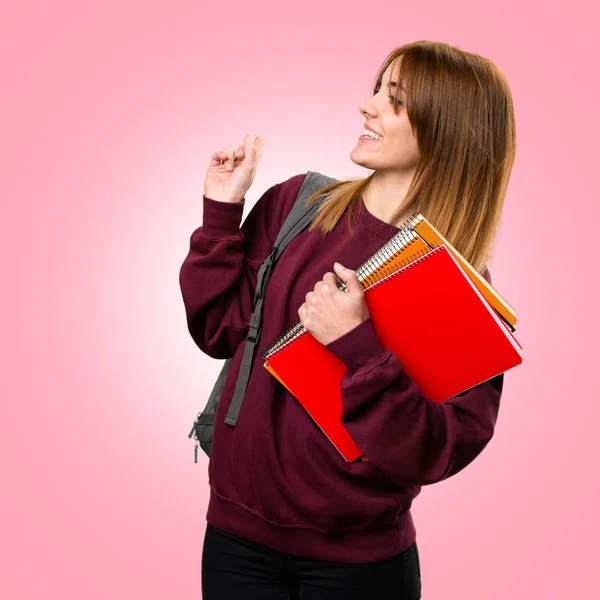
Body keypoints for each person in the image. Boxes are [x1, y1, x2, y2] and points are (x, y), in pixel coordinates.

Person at [179, 40, 516, 600]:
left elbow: (439, 448)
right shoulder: (296, 205)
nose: (367, 105)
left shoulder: (458, 287)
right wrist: (220, 214)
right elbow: (216, 331)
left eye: (395, 99)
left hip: (360, 568)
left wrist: (357, 346)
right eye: (376, 88)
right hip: (236, 541)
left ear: (446, 130)